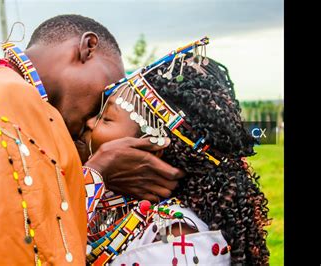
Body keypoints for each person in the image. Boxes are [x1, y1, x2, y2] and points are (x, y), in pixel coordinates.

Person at [0, 14, 184, 265]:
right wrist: (97, 174)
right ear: (87, 48)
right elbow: (25, 243)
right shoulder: (9, 101)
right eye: (106, 94)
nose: (96, 116)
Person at [81, 39, 270, 265]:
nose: (90, 122)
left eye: (106, 118)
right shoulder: (113, 204)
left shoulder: (175, 242)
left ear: (152, 148)